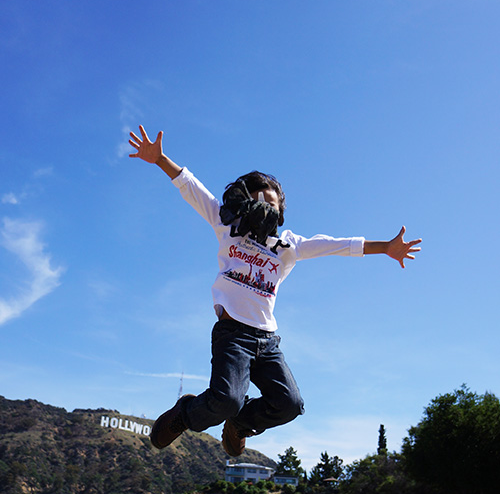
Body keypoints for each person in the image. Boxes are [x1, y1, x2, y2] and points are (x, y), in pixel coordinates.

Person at [129, 125, 421, 456]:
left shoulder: (287, 247)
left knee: (290, 404)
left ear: (280, 211)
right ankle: (186, 413)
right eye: (258, 198)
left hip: (267, 341)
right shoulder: (229, 228)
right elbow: (192, 189)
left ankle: (239, 425)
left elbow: (333, 246)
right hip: (233, 335)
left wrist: (385, 247)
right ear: (245, 201)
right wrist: (160, 159)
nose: (266, 205)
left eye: (272, 201)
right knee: (225, 399)